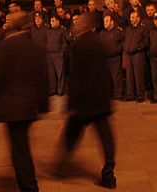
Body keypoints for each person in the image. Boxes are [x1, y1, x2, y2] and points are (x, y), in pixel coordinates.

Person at [0, 11, 48, 192]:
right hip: (28, 106)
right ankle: (26, 183)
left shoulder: (5, 47)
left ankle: (29, 186)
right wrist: (43, 105)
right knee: (21, 145)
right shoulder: (34, 47)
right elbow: (42, 78)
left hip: (13, 108)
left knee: (19, 149)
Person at [54, 12, 117, 189]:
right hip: (100, 100)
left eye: (78, 23)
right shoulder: (98, 42)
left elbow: (75, 77)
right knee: (106, 137)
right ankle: (109, 173)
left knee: (71, 135)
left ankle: (61, 165)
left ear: (85, 26)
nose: (75, 25)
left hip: (84, 102)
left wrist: (70, 104)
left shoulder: (78, 45)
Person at [98, 13, 124, 100]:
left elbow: (122, 43)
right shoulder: (101, 33)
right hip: (105, 59)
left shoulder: (118, 31)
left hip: (115, 58)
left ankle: (118, 94)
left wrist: (117, 49)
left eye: (107, 21)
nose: (105, 23)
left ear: (112, 22)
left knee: (116, 78)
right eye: (104, 21)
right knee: (107, 78)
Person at [123, 10, 148, 102]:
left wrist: (138, 48)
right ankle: (130, 95)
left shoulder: (143, 28)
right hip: (129, 55)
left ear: (138, 18)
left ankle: (140, 95)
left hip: (138, 54)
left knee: (138, 75)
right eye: (130, 17)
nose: (131, 19)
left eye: (133, 17)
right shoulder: (128, 29)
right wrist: (126, 47)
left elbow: (145, 42)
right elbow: (124, 40)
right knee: (129, 76)